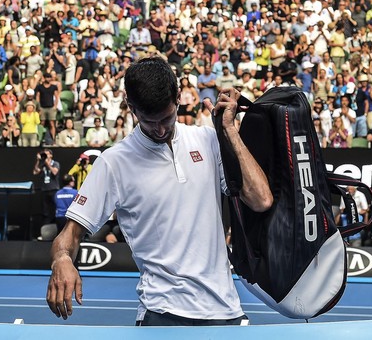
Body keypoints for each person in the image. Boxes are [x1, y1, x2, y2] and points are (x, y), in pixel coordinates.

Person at [47, 57, 272, 325]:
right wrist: (61, 260)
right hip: (162, 313)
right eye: (149, 121)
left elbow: (261, 199)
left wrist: (229, 132)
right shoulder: (114, 163)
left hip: (227, 310)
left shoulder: (208, 140)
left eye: (167, 117)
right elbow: (69, 235)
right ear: (131, 107)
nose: (160, 129)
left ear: (179, 98)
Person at [34, 148, 61, 226]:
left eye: (47, 154)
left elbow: (55, 172)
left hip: (53, 189)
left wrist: (47, 164)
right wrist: (38, 161)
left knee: (55, 209)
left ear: (51, 155)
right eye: (44, 154)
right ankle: (46, 228)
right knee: (45, 211)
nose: (45, 156)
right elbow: (35, 172)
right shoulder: (42, 164)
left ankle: (56, 227)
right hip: (44, 190)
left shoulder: (55, 163)